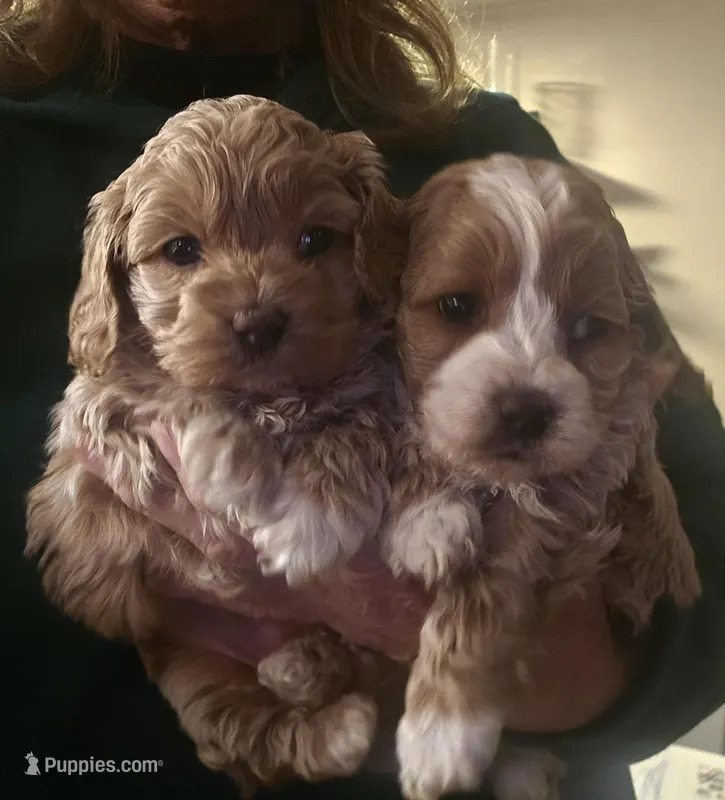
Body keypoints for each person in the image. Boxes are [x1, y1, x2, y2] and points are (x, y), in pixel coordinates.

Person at [1, 2, 724, 799]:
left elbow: (701, 540)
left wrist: (453, 633)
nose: (255, 307)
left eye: (316, 243)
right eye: (179, 252)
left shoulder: (487, 153)